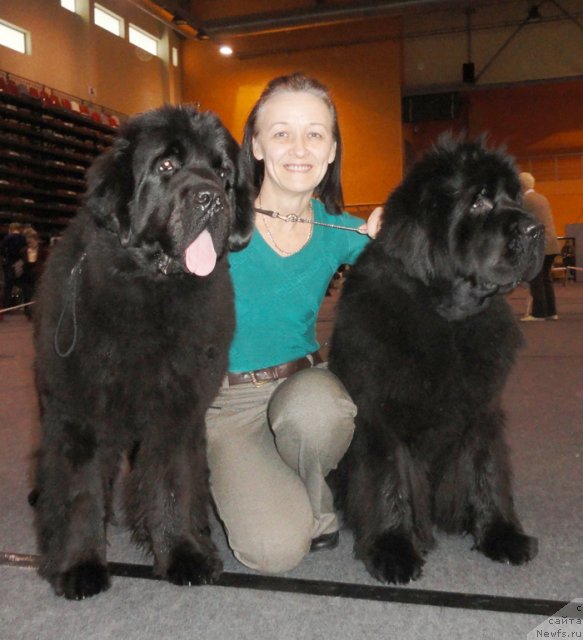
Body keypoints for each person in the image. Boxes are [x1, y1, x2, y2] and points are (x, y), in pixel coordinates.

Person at [205, 72, 383, 574]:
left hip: (303, 388)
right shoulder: (216, 222)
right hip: (225, 403)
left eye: (315, 134)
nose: (299, 148)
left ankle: (311, 494)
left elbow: (419, 250)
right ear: (256, 146)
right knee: (273, 552)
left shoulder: (342, 230)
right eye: (281, 132)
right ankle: (225, 465)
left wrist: (400, 220)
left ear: (331, 151)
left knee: (321, 409)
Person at [519, 172, 560, 321]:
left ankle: (539, 313)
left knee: (536, 279)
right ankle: (551, 311)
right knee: (546, 278)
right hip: (552, 243)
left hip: (539, 245)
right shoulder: (542, 198)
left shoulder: (525, 201)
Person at [1, 222, 27, 312]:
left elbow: (2, 249)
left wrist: (5, 256)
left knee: (8, 287)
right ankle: (26, 307)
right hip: (21, 263)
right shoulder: (23, 238)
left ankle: (6, 308)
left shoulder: (8, 238)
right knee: (23, 286)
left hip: (10, 263)